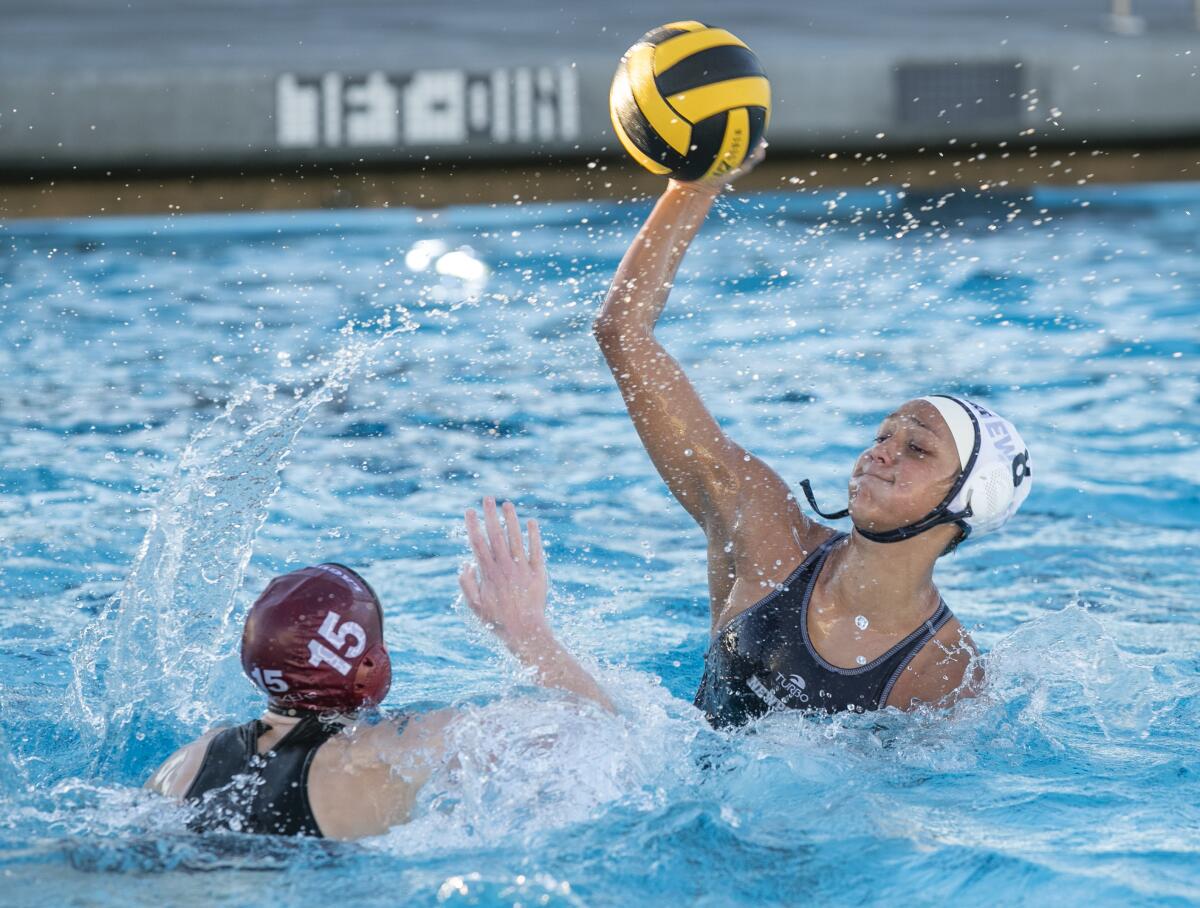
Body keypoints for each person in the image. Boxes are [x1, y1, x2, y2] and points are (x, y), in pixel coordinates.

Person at [593, 143, 1033, 726]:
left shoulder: (945, 676)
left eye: (917, 448)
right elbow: (621, 332)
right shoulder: (764, 531)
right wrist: (695, 187)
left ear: (968, 501)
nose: (881, 451)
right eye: (884, 434)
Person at [145, 497, 612, 839]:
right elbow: (602, 734)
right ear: (367, 668)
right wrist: (527, 633)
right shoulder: (386, 750)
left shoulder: (188, 761)